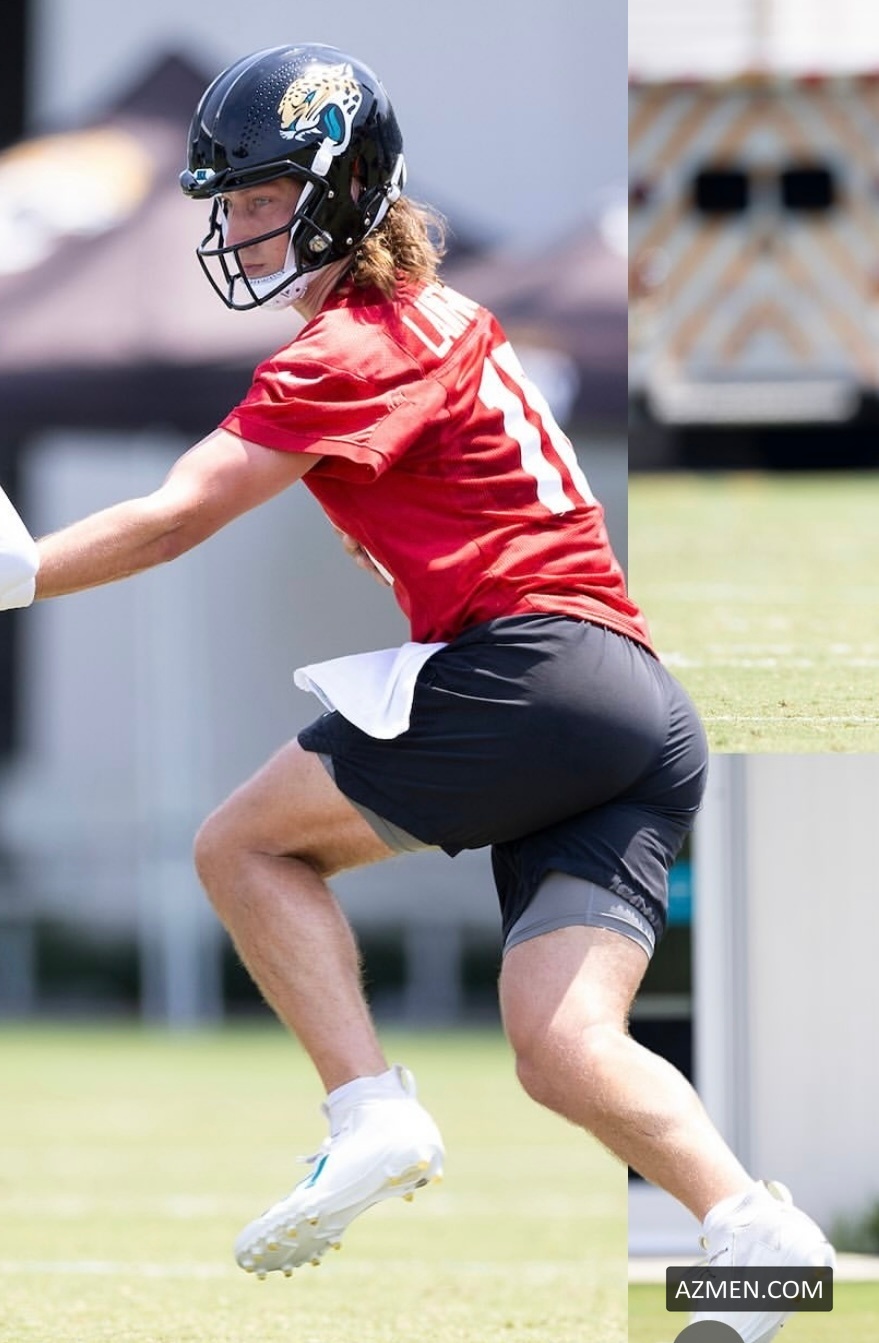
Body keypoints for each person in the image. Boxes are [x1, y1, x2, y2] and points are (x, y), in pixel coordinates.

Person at [0, 43, 832, 1337]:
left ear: (341, 191)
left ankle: (368, 1111)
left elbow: (175, 519)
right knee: (564, 1048)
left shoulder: (347, 348)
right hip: (638, 711)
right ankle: (761, 1241)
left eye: (262, 195)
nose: (237, 224)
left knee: (244, 848)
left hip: (538, 672)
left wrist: (22, 574)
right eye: (232, 199)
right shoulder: (440, 314)